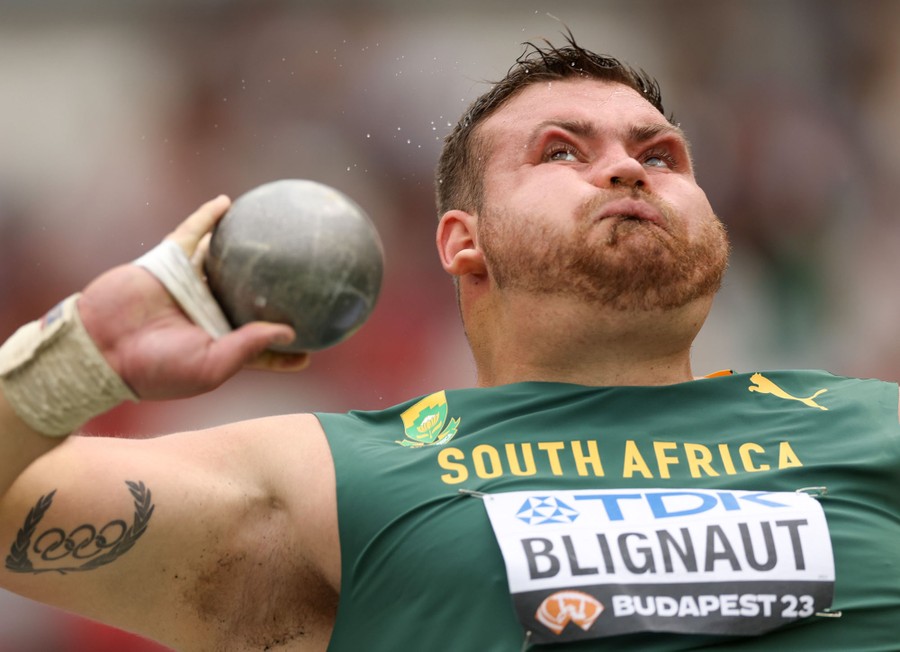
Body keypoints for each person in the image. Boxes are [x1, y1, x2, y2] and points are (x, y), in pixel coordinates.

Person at [0, 34, 898, 652]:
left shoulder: (874, 427)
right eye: (560, 152)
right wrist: (77, 356)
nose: (627, 166)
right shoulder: (338, 480)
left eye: (660, 155)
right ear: (462, 241)